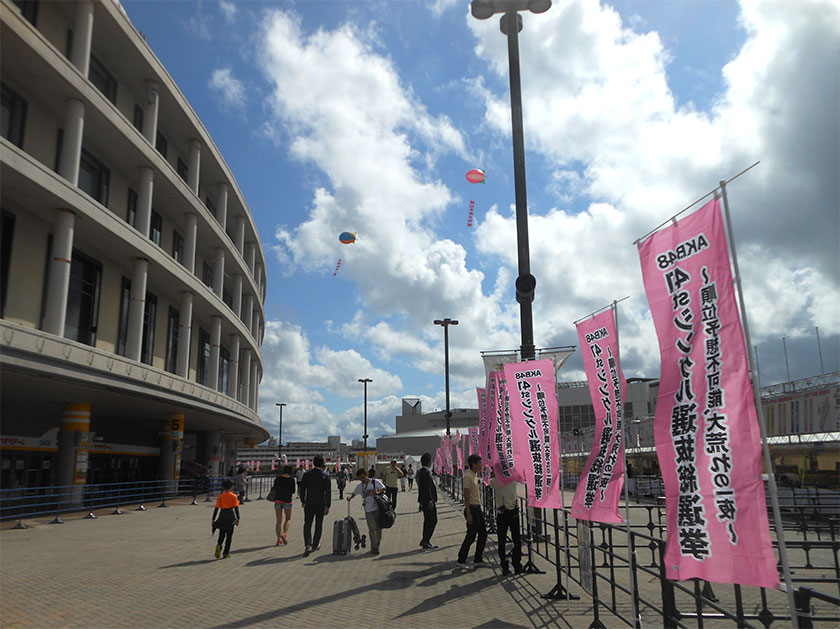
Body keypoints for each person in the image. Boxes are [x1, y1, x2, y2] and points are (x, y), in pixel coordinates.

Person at [457, 454, 487, 567]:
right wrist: (468, 513)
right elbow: (466, 496)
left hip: (477, 508)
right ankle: (461, 559)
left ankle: (478, 559)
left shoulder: (474, 475)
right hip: (472, 509)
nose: (481, 465)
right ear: (473, 464)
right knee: (471, 535)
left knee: (483, 534)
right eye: (480, 463)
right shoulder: (468, 476)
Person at [490, 471, 522, 575]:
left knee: (502, 540)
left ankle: (504, 566)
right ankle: (517, 564)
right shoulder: (513, 479)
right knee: (517, 539)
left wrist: (495, 473)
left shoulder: (496, 481)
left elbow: (490, 482)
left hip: (502, 513)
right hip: (514, 512)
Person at [348, 468, 385, 556]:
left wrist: (378, 491)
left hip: (377, 508)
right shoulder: (360, 486)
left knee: (378, 528)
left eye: (363, 477)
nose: (362, 480)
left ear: (366, 475)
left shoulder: (374, 482)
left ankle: (377, 542)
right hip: (368, 510)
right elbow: (354, 493)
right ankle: (374, 547)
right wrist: (350, 498)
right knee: (372, 529)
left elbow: (384, 488)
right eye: (360, 478)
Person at [299, 455, 331, 557]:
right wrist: (328, 505)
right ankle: (315, 544)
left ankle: (307, 544)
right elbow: (328, 492)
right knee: (318, 524)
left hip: (309, 502)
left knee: (307, 524)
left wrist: (302, 500)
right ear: (322, 464)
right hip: (320, 503)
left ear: (313, 463)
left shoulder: (307, 475)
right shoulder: (325, 476)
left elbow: (302, 489)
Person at [212, 479, 240, 559]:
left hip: (222, 515)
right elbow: (236, 508)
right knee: (229, 536)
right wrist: (238, 518)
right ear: (231, 487)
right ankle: (226, 553)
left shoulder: (220, 496)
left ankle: (218, 546)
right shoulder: (234, 496)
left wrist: (213, 518)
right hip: (230, 516)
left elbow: (216, 508)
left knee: (222, 534)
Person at [416, 452, 438, 549]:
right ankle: (425, 540)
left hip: (426, 501)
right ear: (428, 462)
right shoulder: (424, 473)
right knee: (432, 520)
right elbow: (426, 488)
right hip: (428, 501)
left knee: (428, 520)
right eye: (431, 461)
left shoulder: (422, 472)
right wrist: (430, 500)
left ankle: (425, 540)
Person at [271, 465, 296, 546]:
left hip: (278, 500)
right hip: (287, 501)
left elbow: (274, 488)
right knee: (288, 518)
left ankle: (278, 539)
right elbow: (293, 491)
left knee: (278, 521)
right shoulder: (291, 480)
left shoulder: (278, 478)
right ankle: (284, 533)